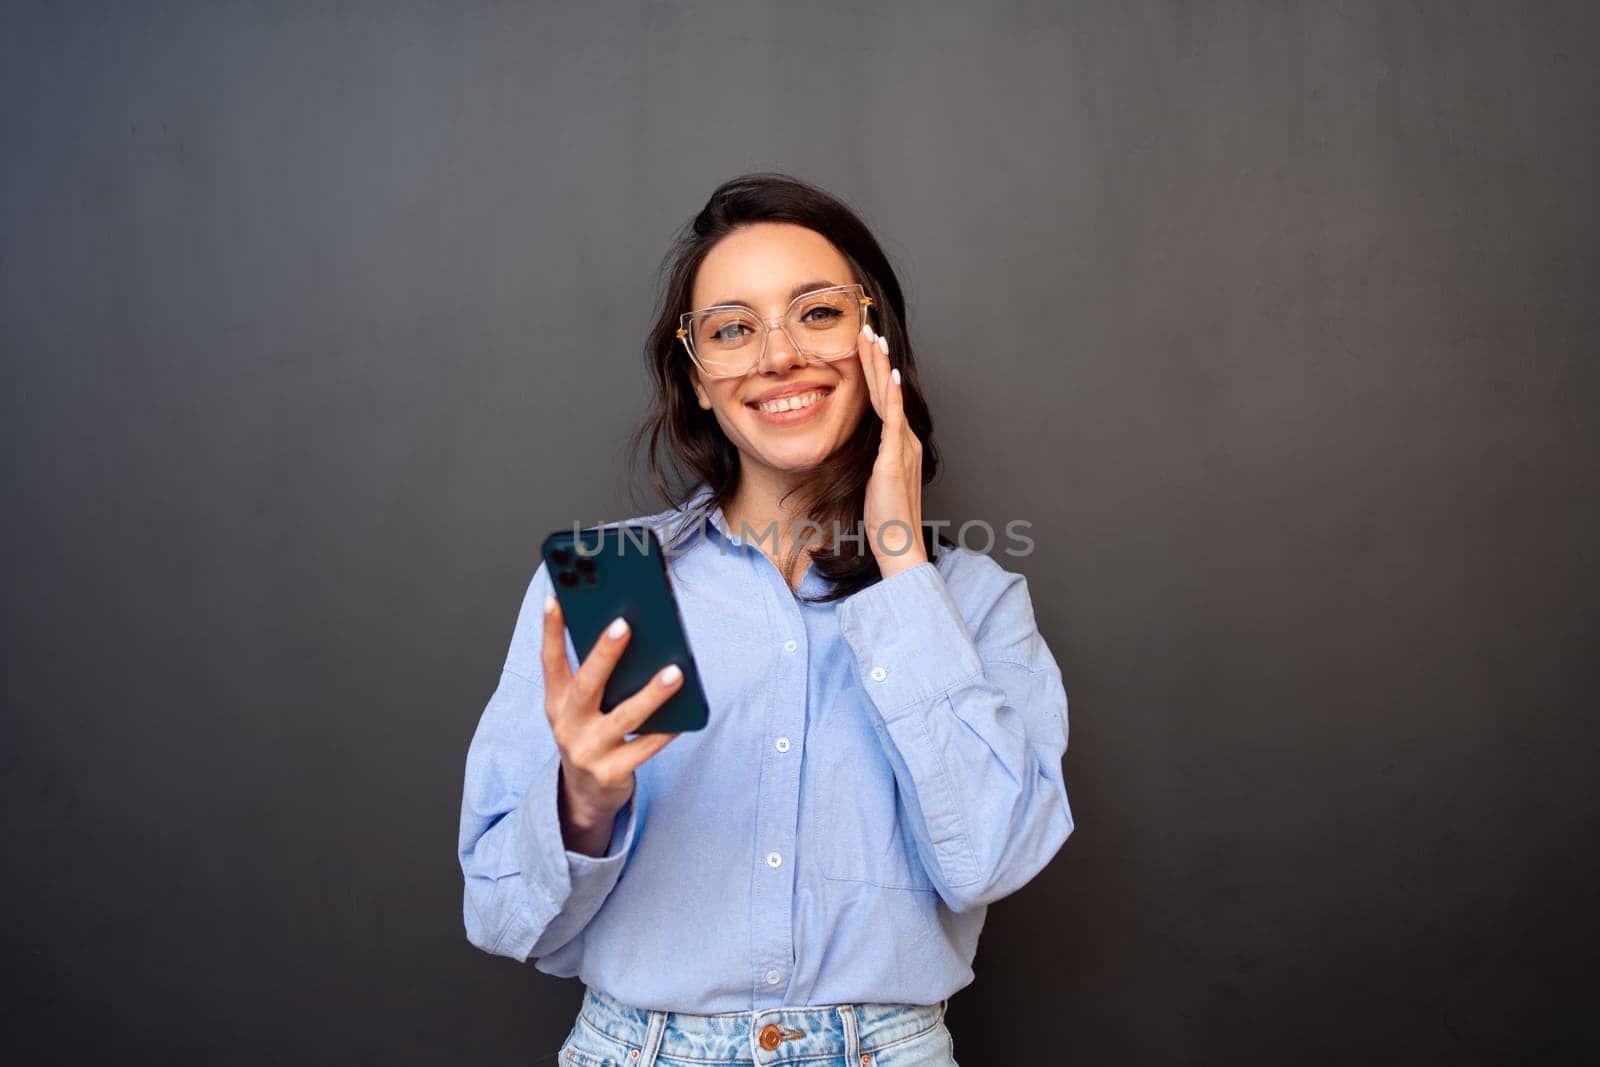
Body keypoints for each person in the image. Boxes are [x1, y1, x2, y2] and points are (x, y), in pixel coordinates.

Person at [457, 173, 1074, 1066]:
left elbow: (990, 861)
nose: (776, 355)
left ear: (876, 346)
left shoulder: (972, 600)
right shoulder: (607, 581)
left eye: (816, 313)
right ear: (701, 380)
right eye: (733, 329)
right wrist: (581, 805)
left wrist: (900, 557)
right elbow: (501, 913)